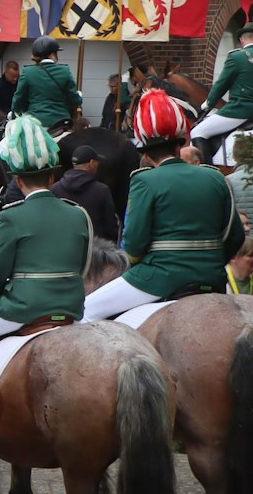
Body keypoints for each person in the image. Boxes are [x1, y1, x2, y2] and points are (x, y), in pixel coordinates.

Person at [83, 90, 246, 320]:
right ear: (179, 147)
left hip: (159, 278)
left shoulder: (144, 180)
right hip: (212, 278)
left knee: (85, 311)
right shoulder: (215, 177)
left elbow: (135, 245)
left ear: (147, 156)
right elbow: (235, 236)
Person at [0, 118, 92, 351]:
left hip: (23, 306)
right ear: (52, 178)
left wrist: (1, 294)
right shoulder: (78, 214)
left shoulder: (11, 216)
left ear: (18, 180)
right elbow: (83, 267)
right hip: (71, 306)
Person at [195, 24, 253, 163]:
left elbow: (221, 85)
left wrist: (207, 104)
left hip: (241, 110)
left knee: (197, 132)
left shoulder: (236, 57)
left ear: (241, 40)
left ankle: (208, 173)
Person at [51, 146, 120, 243]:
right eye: (97, 162)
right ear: (91, 163)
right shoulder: (102, 190)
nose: (98, 164)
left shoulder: (55, 189)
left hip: (64, 247)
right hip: (95, 251)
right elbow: (111, 227)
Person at [12, 37, 82, 132]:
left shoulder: (27, 72)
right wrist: (79, 96)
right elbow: (75, 100)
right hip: (60, 122)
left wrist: (13, 116)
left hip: (35, 122)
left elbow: (18, 99)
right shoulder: (65, 71)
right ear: (52, 55)